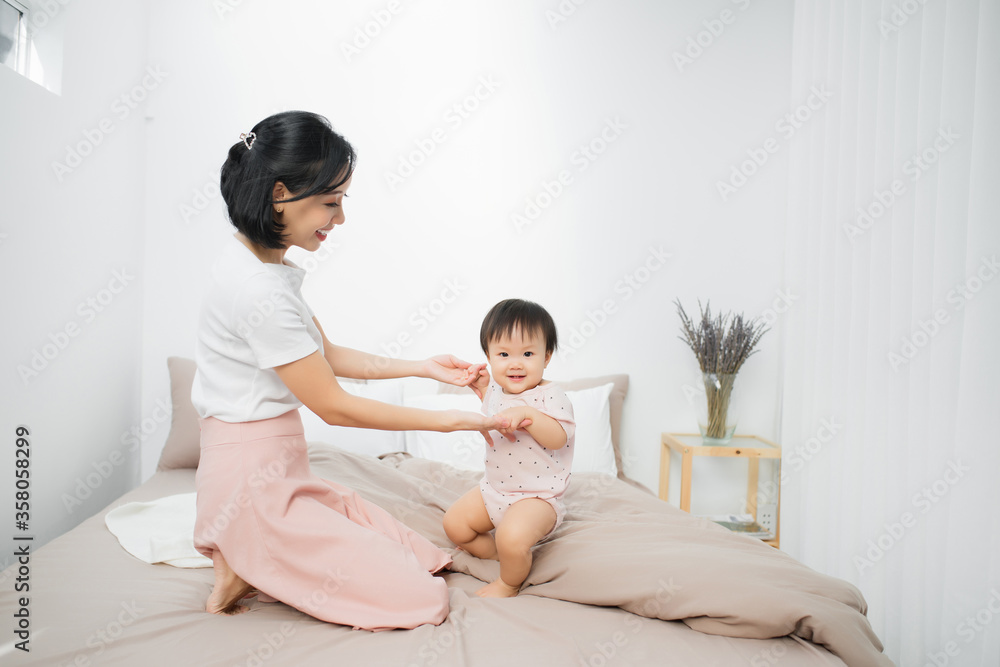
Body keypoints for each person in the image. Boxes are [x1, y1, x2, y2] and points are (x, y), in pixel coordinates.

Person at [189, 111, 512, 631]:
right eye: (331, 202)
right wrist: (453, 421)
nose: (339, 219)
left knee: (417, 551)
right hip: (252, 476)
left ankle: (242, 555)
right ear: (279, 195)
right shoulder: (259, 292)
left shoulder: (257, 265)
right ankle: (246, 549)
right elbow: (334, 406)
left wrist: (422, 368)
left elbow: (328, 355)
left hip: (271, 465)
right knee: (423, 599)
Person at [443, 299, 575, 598]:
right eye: (503, 354)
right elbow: (494, 411)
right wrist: (482, 388)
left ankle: (509, 582)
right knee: (455, 525)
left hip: (537, 498)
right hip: (494, 491)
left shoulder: (550, 396)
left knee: (511, 536)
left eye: (528, 353)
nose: (515, 363)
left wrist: (530, 417)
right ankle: (500, 554)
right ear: (489, 356)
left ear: (547, 356)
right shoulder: (497, 391)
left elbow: (558, 437)